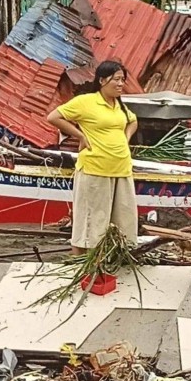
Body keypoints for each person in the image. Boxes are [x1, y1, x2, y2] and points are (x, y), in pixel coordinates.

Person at [47, 60, 139, 254]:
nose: (121, 84)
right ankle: (82, 265)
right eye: (117, 79)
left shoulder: (119, 105)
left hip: (121, 169)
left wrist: (126, 137)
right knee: (90, 222)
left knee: (123, 218)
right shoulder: (86, 102)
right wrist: (80, 135)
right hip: (95, 169)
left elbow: (133, 121)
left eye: (123, 80)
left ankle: (111, 259)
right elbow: (54, 117)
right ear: (102, 80)